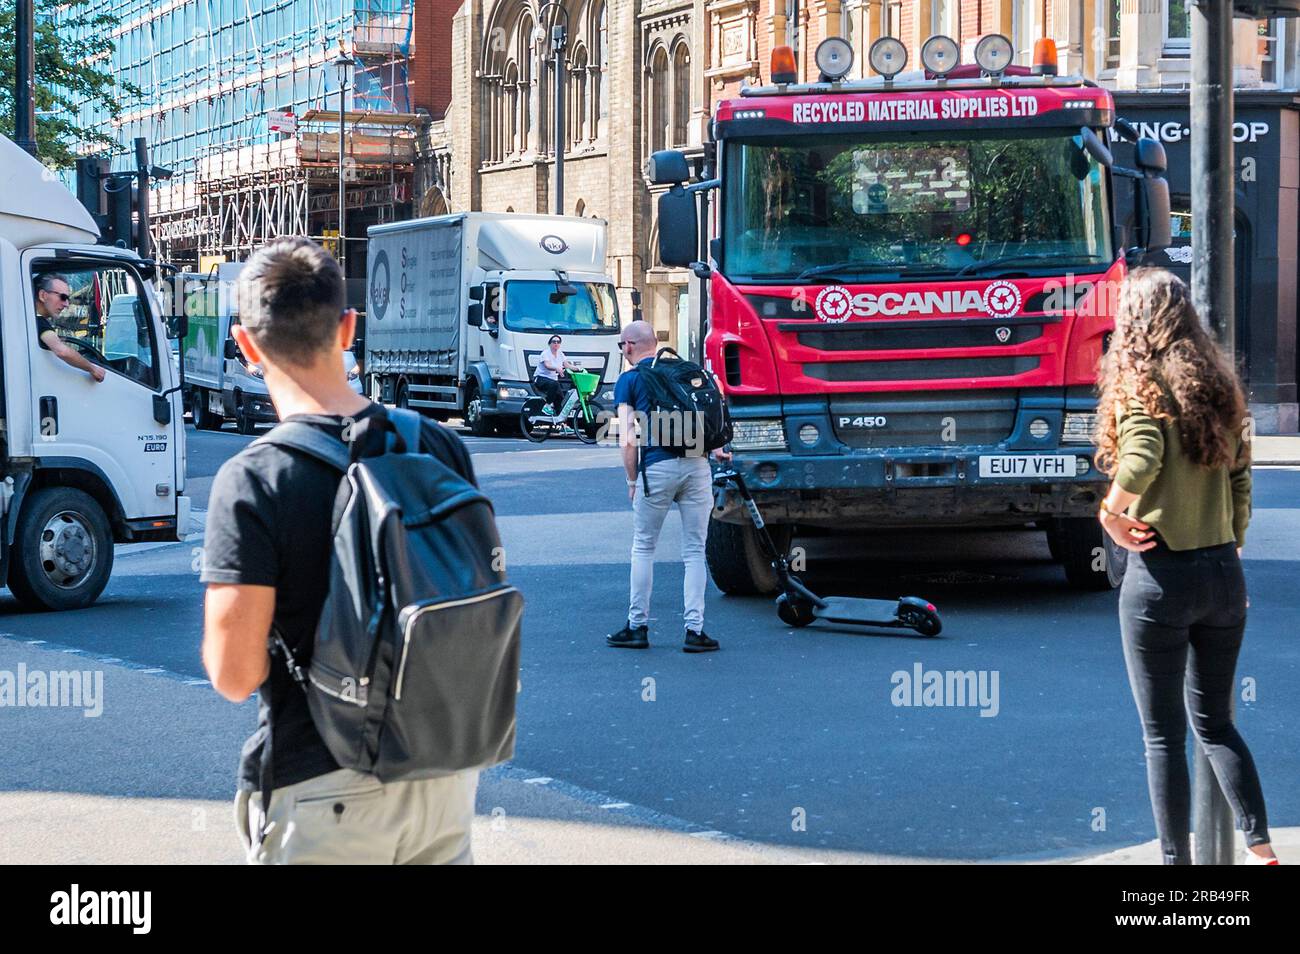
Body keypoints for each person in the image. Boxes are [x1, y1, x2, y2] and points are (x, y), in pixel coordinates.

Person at [200, 237, 480, 864]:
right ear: (349, 327)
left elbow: (234, 673)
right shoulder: (437, 446)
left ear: (246, 344)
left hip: (324, 787)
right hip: (442, 772)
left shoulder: (254, 480)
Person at [1096, 267, 1277, 865]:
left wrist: (1111, 514)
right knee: (1217, 724)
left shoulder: (1139, 383)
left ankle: (1177, 873)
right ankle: (1261, 844)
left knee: (1163, 738)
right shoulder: (1219, 392)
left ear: (1133, 323)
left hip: (1160, 578)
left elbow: (1143, 454)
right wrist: (1231, 543)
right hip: (1224, 574)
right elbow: (1242, 479)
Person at [606, 320, 730, 653]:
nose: (623, 352)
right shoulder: (685, 370)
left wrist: (632, 480)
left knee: (644, 547)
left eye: (622, 346)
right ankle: (695, 631)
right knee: (694, 551)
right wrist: (716, 449)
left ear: (630, 346)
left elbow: (628, 438)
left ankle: (637, 627)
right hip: (697, 465)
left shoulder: (630, 380)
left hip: (657, 466)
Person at [33, 273, 105, 382]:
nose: (66, 304)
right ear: (43, 295)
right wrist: (93, 369)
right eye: (62, 297)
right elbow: (62, 352)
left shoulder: (32, 322)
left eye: (68, 299)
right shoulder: (38, 322)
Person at [533, 334, 578, 413]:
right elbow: (547, 365)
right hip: (541, 379)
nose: (556, 343)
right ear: (549, 344)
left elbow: (567, 365)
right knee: (555, 384)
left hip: (553, 381)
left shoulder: (560, 353)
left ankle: (559, 420)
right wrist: (557, 368)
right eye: (554, 342)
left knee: (560, 399)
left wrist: (578, 369)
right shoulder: (545, 353)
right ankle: (547, 406)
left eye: (558, 342)